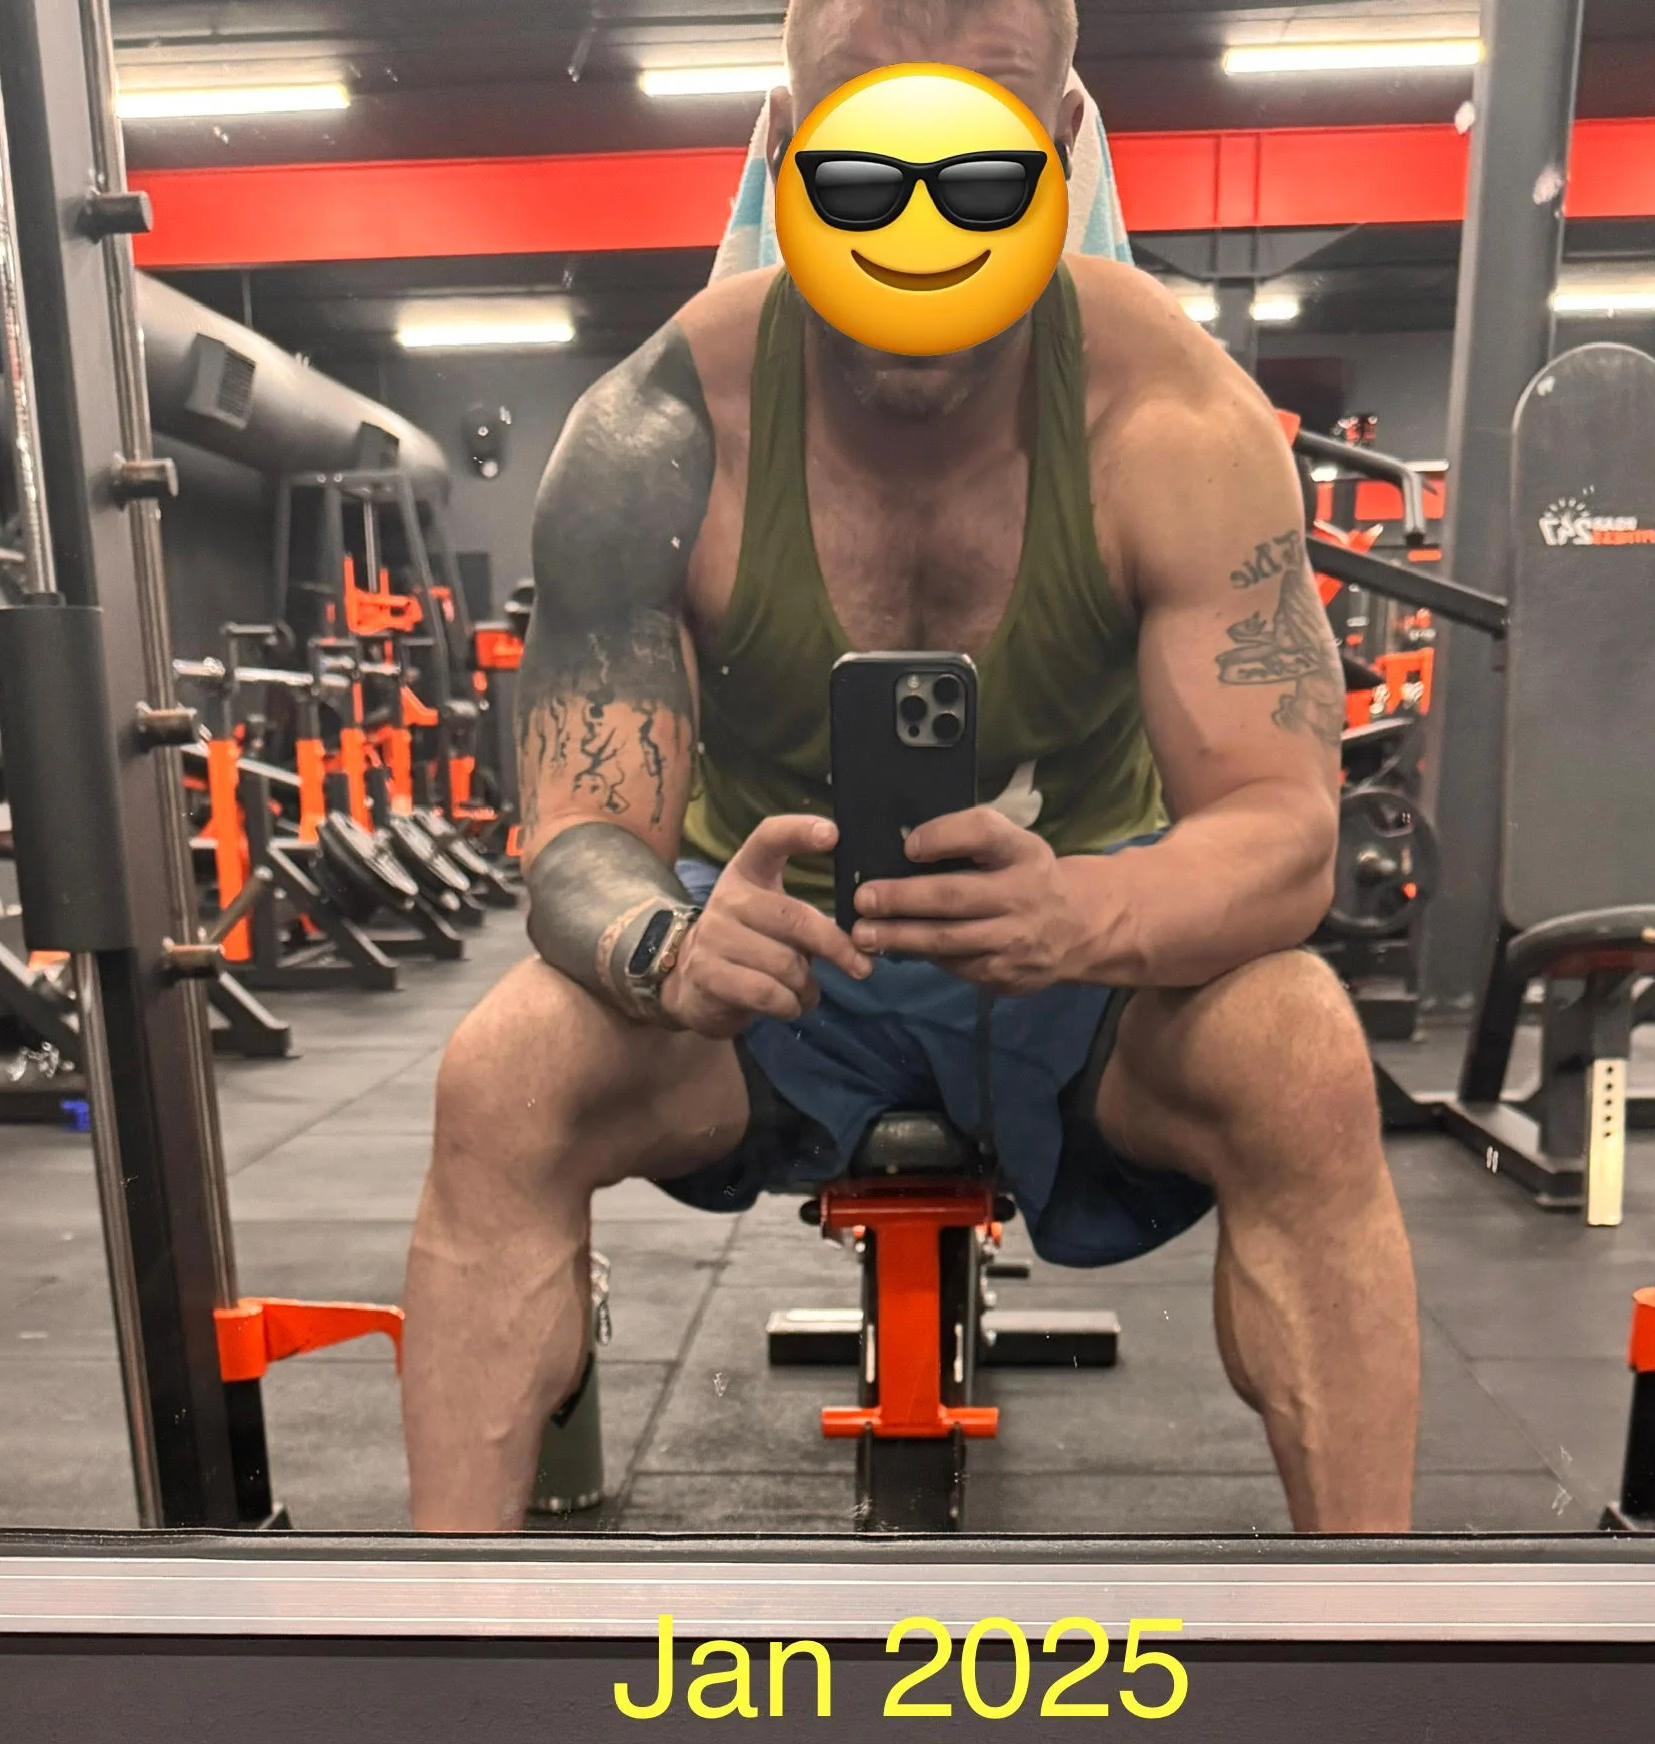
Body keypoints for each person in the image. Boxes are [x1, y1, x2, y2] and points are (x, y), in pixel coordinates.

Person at [402, 0, 1419, 1533]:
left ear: (1062, 153)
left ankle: (1371, 1634)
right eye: (867, 168)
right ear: (786, 151)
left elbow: (1283, 829)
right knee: (505, 1073)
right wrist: (667, 943)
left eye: (983, 166)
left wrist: (1085, 913)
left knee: (1304, 1053)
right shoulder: (658, 430)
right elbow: (577, 834)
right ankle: (447, 1631)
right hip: (770, 971)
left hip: (1085, 976)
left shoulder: (1176, 417)